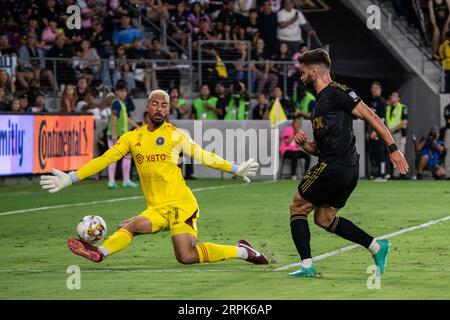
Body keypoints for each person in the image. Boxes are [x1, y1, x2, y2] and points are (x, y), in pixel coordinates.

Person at [40, 90, 268, 267]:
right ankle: (100, 253)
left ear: (169, 110)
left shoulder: (175, 135)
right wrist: (72, 177)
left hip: (181, 204)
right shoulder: (132, 138)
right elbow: (105, 159)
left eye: (164, 105)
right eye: (155, 104)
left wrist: (235, 168)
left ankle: (242, 251)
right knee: (132, 225)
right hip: (156, 208)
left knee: (186, 256)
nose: (159, 108)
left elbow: (203, 156)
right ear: (148, 107)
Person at [288, 49, 408, 278]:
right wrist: (306, 146)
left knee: (297, 207)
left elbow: (371, 116)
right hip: (346, 168)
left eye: (303, 72)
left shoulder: (338, 91)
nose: (301, 77)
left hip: (336, 166)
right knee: (324, 219)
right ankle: (376, 246)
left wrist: (393, 148)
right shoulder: (319, 104)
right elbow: (320, 149)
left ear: (315, 71)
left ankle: (306, 267)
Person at [106, 82, 140, 189]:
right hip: (116, 135)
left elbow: (127, 118)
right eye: (121, 91)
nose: (124, 93)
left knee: (127, 157)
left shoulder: (122, 104)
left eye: (125, 91)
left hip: (123, 135)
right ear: (117, 92)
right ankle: (112, 181)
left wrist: (137, 126)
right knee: (114, 158)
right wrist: (114, 134)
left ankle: (126, 180)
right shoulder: (116, 103)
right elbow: (113, 119)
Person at [367, 81, 388, 180]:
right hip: (373, 130)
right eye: (372, 88)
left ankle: (382, 174)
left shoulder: (381, 101)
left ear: (380, 89)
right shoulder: (373, 101)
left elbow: (382, 118)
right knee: (374, 153)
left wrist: (376, 131)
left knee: (380, 153)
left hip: (379, 131)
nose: (373, 90)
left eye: (375, 88)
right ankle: (378, 172)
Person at [280, 115, 311, 180]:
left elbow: (297, 146)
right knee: (295, 155)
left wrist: (301, 141)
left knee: (307, 156)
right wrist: (293, 134)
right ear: (294, 123)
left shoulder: (300, 132)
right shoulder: (288, 129)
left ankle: (306, 175)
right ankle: (293, 175)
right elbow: (287, 142)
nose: (298, 125)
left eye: (299, 124)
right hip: (286, 150)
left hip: (295, 150)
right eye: (297, 123)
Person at [386, 91, 409, 179]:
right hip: (389, 134)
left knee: (398, 153)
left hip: (397, 133)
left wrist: (392, 129)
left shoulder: (403, 107)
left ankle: (398, 174)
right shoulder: (388, 108)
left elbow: (404, 121)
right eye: (392, 96)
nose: (392, 97)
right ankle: (392, 174)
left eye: (395, 96)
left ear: (399, 98)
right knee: (390, 155)